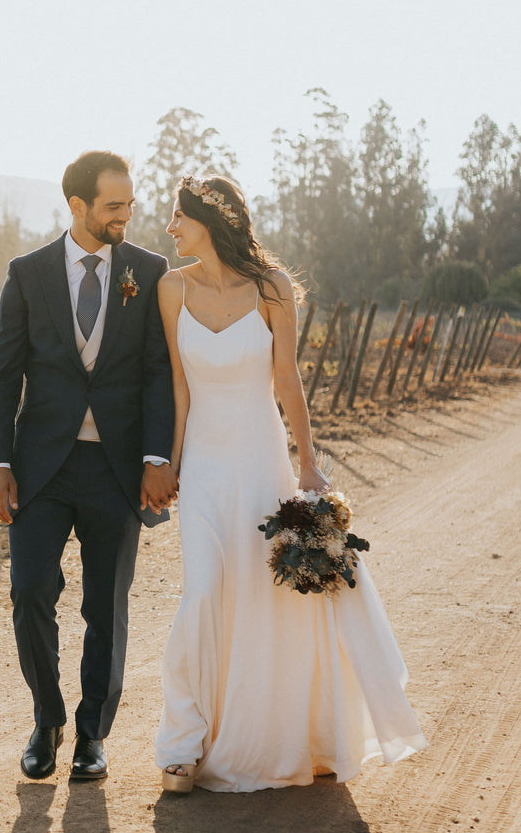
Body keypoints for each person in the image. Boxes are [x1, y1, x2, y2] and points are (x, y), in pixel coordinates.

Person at [154, 174, 428, 793]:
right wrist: (170, 463)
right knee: (201, 593)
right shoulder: (171, 289)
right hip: (202, 467)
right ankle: (183, 740)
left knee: (266, 597)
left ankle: (286, 732)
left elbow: (287, 382)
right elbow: (176, 384)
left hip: (260, 460)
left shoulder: (274, 289)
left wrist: (307, 465)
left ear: (211, 220)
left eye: (178, 216)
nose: (170, 228)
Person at [0, 150, 179, 782]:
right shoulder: (28, 273)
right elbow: (2, 374)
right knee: (29, 591)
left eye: (129, 205)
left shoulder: (148, 272)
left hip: (118, 470)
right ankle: (48, 718)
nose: (125, 216)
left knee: (106, 607)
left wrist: (157, 457)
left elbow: (157, 372)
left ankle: (92, 734)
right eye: (113, 206)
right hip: (40, 469)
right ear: (78, 207)